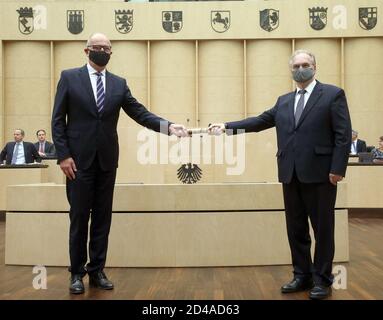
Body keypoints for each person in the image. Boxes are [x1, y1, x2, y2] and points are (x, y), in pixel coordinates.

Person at [51, 32, 188, 294]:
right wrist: (63, 155)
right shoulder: (69, 77)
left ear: (111, 53)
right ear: (86, 51)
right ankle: (76, 273)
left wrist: (169, 127)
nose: (102, 50)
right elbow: (58, 120)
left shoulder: (118, 84)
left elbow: (140, 113)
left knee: (103, 217)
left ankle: (97, 270)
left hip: (106, 161)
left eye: (107, 47)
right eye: (97, 47)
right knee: (79, 217)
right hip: (77, 163)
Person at [208, 49, 352, 300]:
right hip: (290, 173)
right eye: (295, 66)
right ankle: (302, 275)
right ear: (290, 70)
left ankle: (322, 280)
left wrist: (338, 169)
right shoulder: (284, 100)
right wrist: (226, 126)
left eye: (305, 64)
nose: (300, 69)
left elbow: (343, 134)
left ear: (315, 67)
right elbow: (259, 121)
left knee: (323, 230)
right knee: (295, 228)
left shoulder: (332, 94)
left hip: (321, 175)